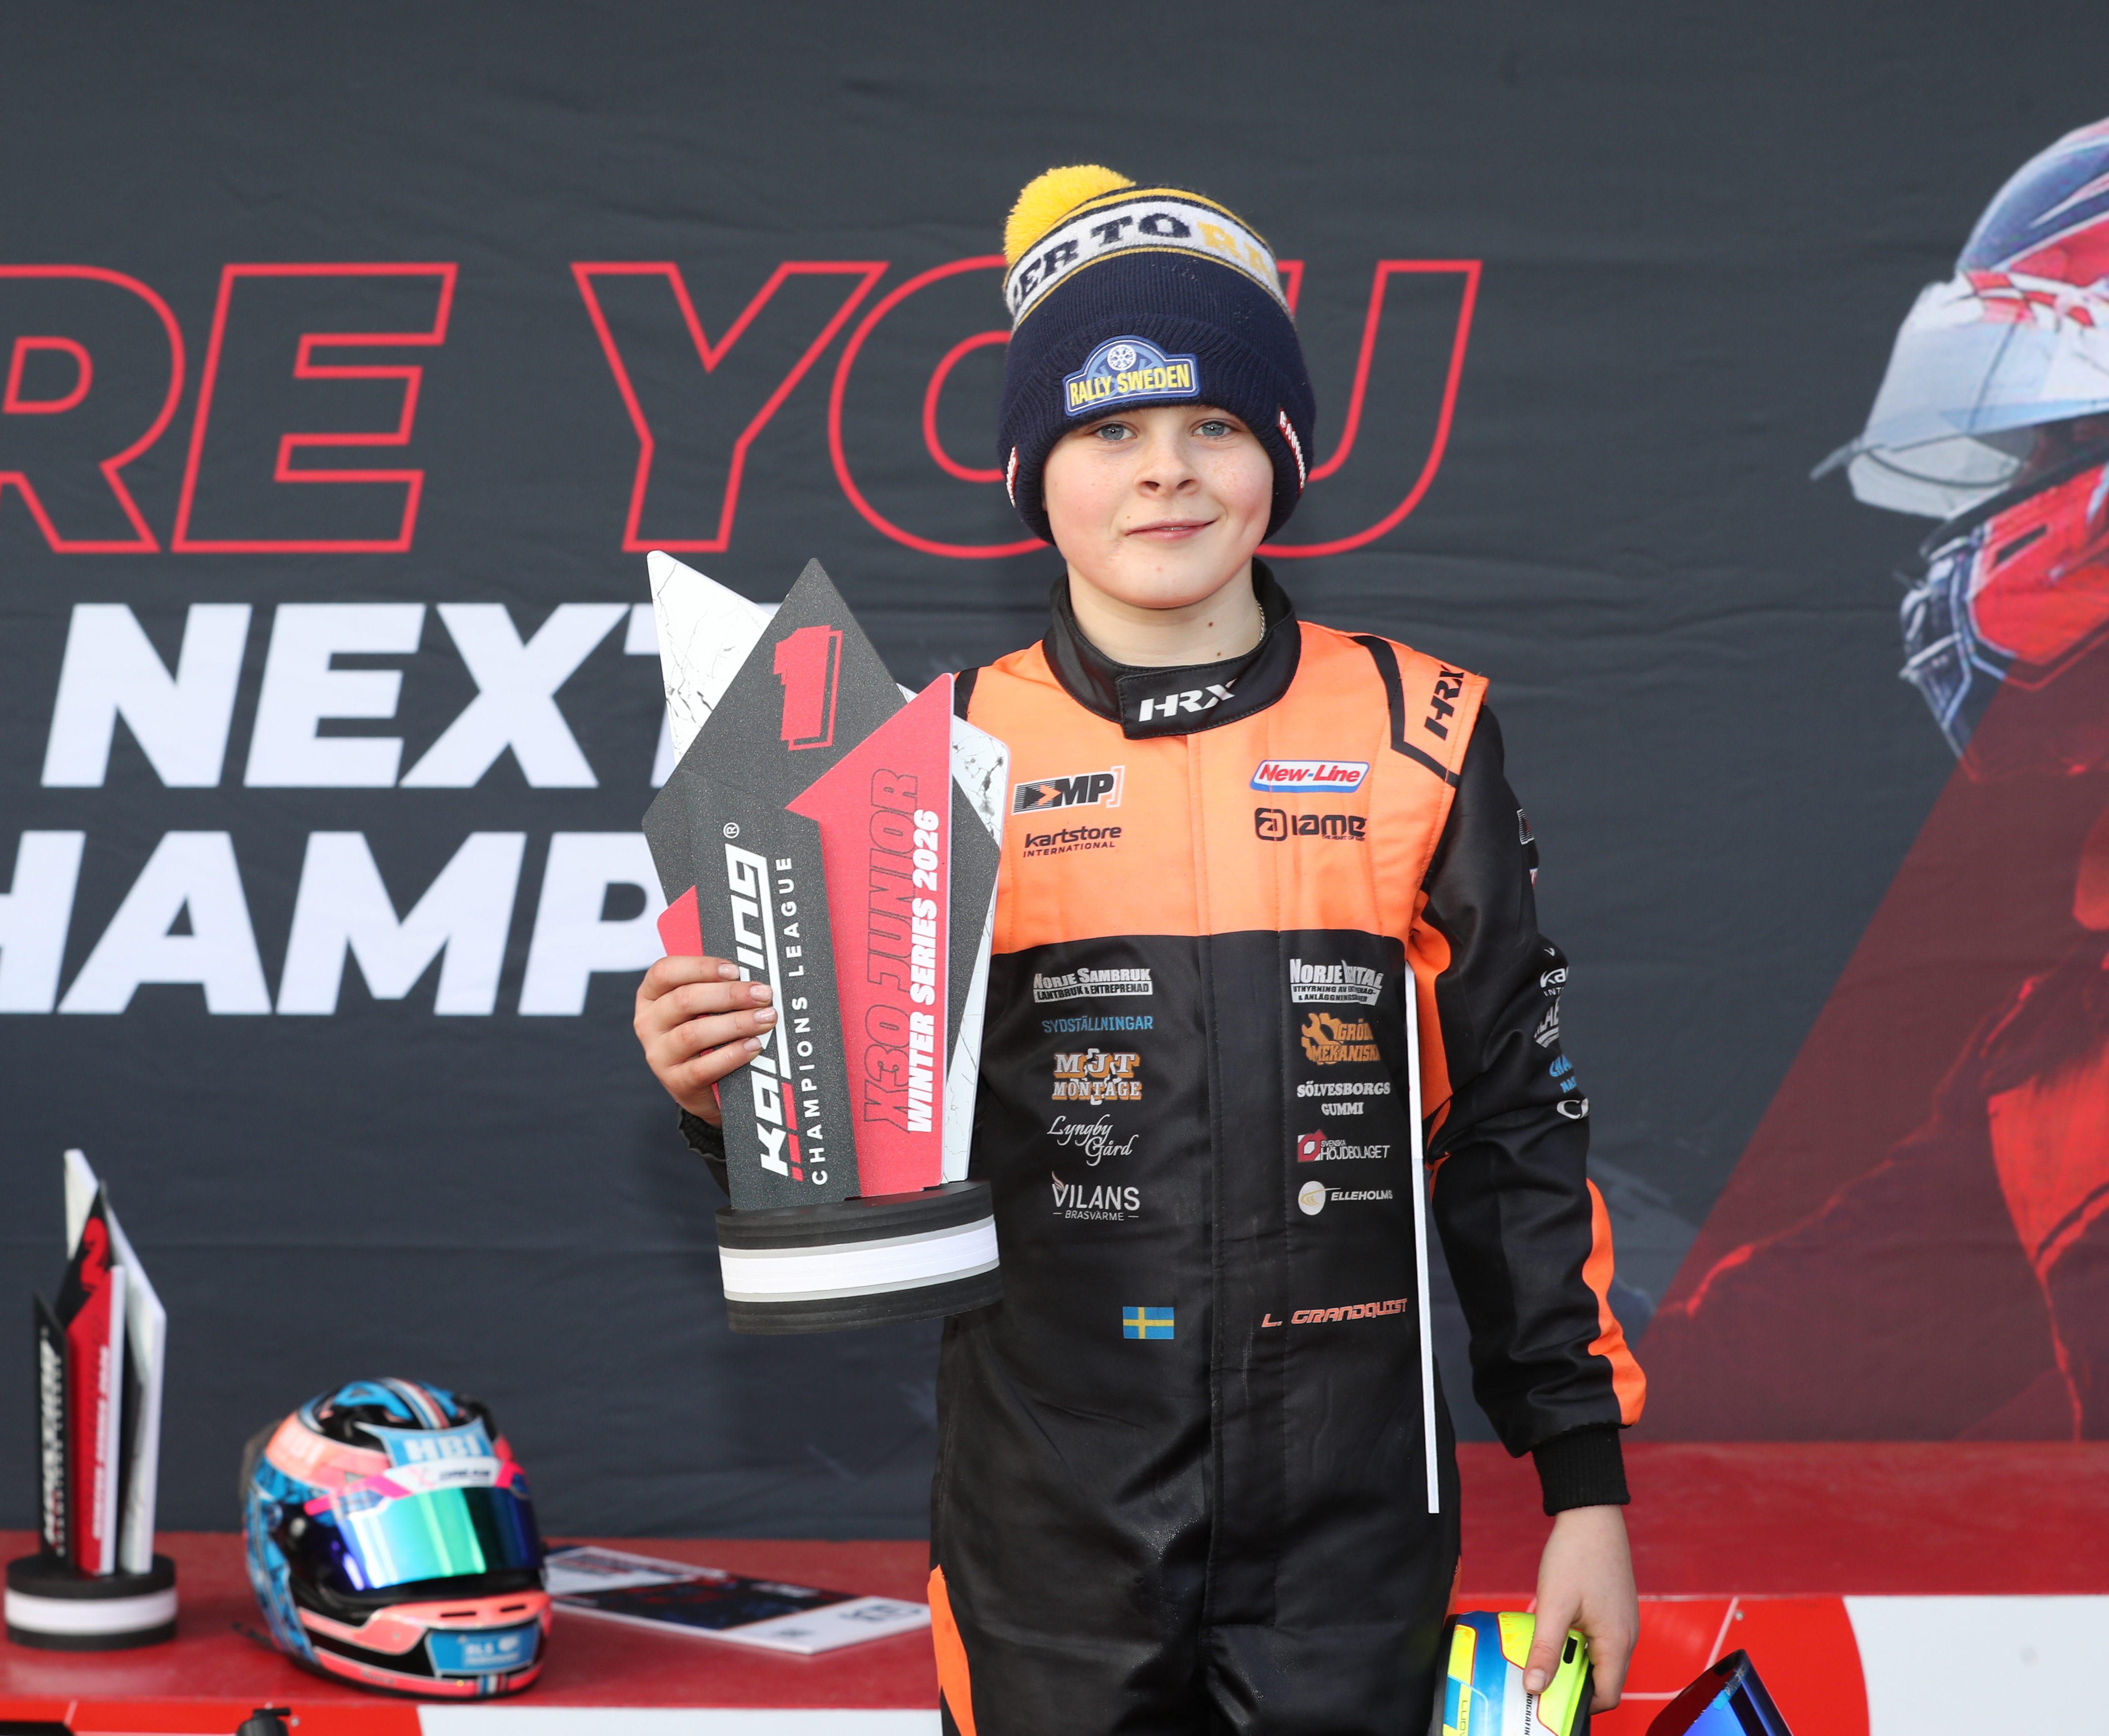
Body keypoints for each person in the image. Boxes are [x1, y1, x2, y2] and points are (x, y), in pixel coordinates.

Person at [632, 167, 1643, 1734]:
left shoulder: (1421, 732)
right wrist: (725, 1090)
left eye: (1212, 423)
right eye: (1108, 430)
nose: (1165, 470)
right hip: (1050, 1536)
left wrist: (1583, 1482)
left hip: (1353, 1536)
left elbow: (1511, 1129)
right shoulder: (934, 760)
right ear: (1033, 473)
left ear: (1281, 454)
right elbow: (855, 1175)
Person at [1641, 118, 2109, 1441]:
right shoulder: (2061, 1053)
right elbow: (1765, 1371)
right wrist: (1492, 1273)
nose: (2005, 510)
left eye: (2049, 446)